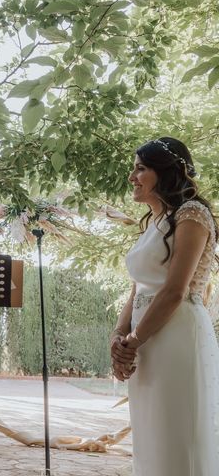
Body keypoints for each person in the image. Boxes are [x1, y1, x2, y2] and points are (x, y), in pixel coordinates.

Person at [110, 137, 219, 475]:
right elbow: (137, 290)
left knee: (177, 434)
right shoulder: (153, 225)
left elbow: (174, 290)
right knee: (151, 435)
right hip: (143, 342)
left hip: (176, 335)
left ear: (166, 172)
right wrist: (118, 337)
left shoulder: (192, 215)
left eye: (140, 169)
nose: (132, 177)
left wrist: (133, 341)